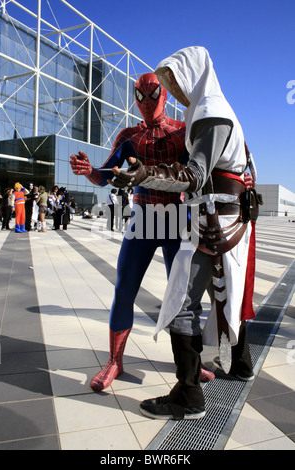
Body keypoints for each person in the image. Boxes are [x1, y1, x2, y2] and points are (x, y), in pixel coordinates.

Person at [111, 47, 259, 420]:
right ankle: (239, 365)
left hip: (214, 225)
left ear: (193, 75)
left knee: (181, 304)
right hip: (222, 223)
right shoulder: (217, 111)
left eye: (174, 81)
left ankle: (188, 396)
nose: (171, 90)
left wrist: (145, 172)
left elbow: (194, 175)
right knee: (225, 296)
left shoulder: (210, 115)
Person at [70, 72, 215, 393]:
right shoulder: (128, 136)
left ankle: (191, 363)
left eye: (153, 94)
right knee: (124, 288)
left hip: (178, 219)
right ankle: (114, 361)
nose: (147, 102)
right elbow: (107, 174)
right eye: (140, 95)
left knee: (182, 295)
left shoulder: (184, 130)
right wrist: (90, 170)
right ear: (133, 97)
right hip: (144, 218)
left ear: (165, 95)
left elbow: (204, 170)